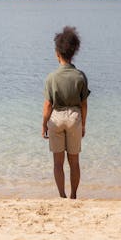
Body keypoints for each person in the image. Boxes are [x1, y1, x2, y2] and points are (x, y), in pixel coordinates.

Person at [42, 26, 90, 199]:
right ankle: (73, 195)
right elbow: (84, 104)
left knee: (58, 162)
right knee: (74, 161)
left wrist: (44, 125)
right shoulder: (80, 76)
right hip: (74, 117)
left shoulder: (51, 77)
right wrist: (83, 124)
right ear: (74, 52)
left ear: (57, 53)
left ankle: (61, 195)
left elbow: (48, 105)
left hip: (56, 117)